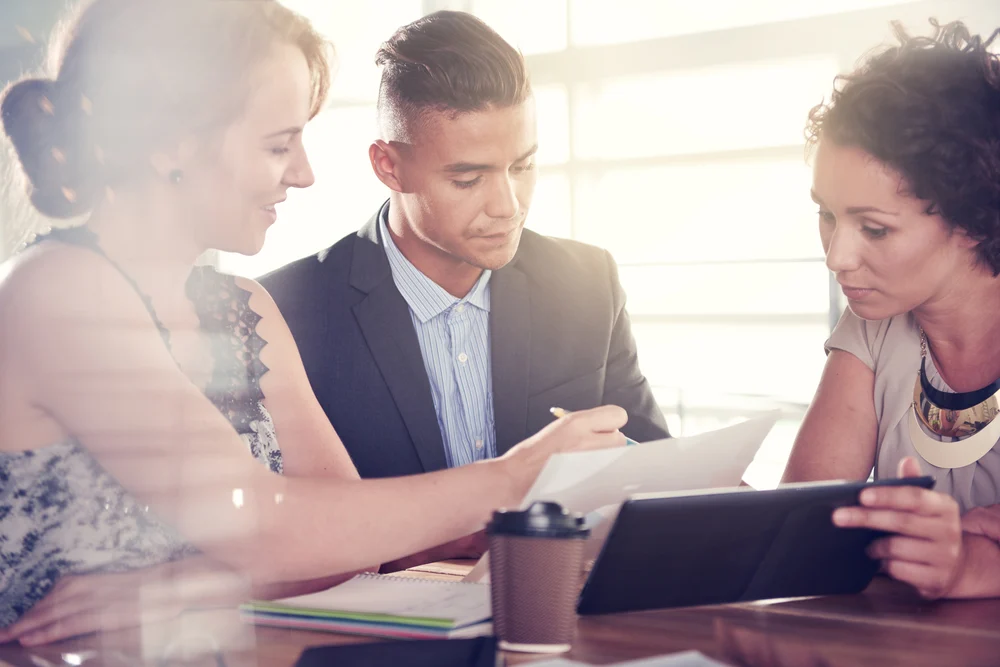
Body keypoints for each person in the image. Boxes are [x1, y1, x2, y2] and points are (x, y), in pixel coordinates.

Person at [0, 0, 628, 643]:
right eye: (278, 144)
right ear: (170, 145)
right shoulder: (57, 291)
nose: (303, 173)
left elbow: (350, 549)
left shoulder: (244, 309)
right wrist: (517, 475)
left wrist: (184, 585)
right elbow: (264, 526)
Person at [260, 11, 669, 485]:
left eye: (522, 166)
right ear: (389, 166)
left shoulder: (588, 282)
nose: (508, 206)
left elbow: (657, 471)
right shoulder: (285, 313)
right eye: (468, 179)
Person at [783, 19, 1000, 600]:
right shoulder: (875, 323)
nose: (837, 257)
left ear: (975, 219)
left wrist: (972, 567)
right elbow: (805, 529)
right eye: (826, 214)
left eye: (874, 228)